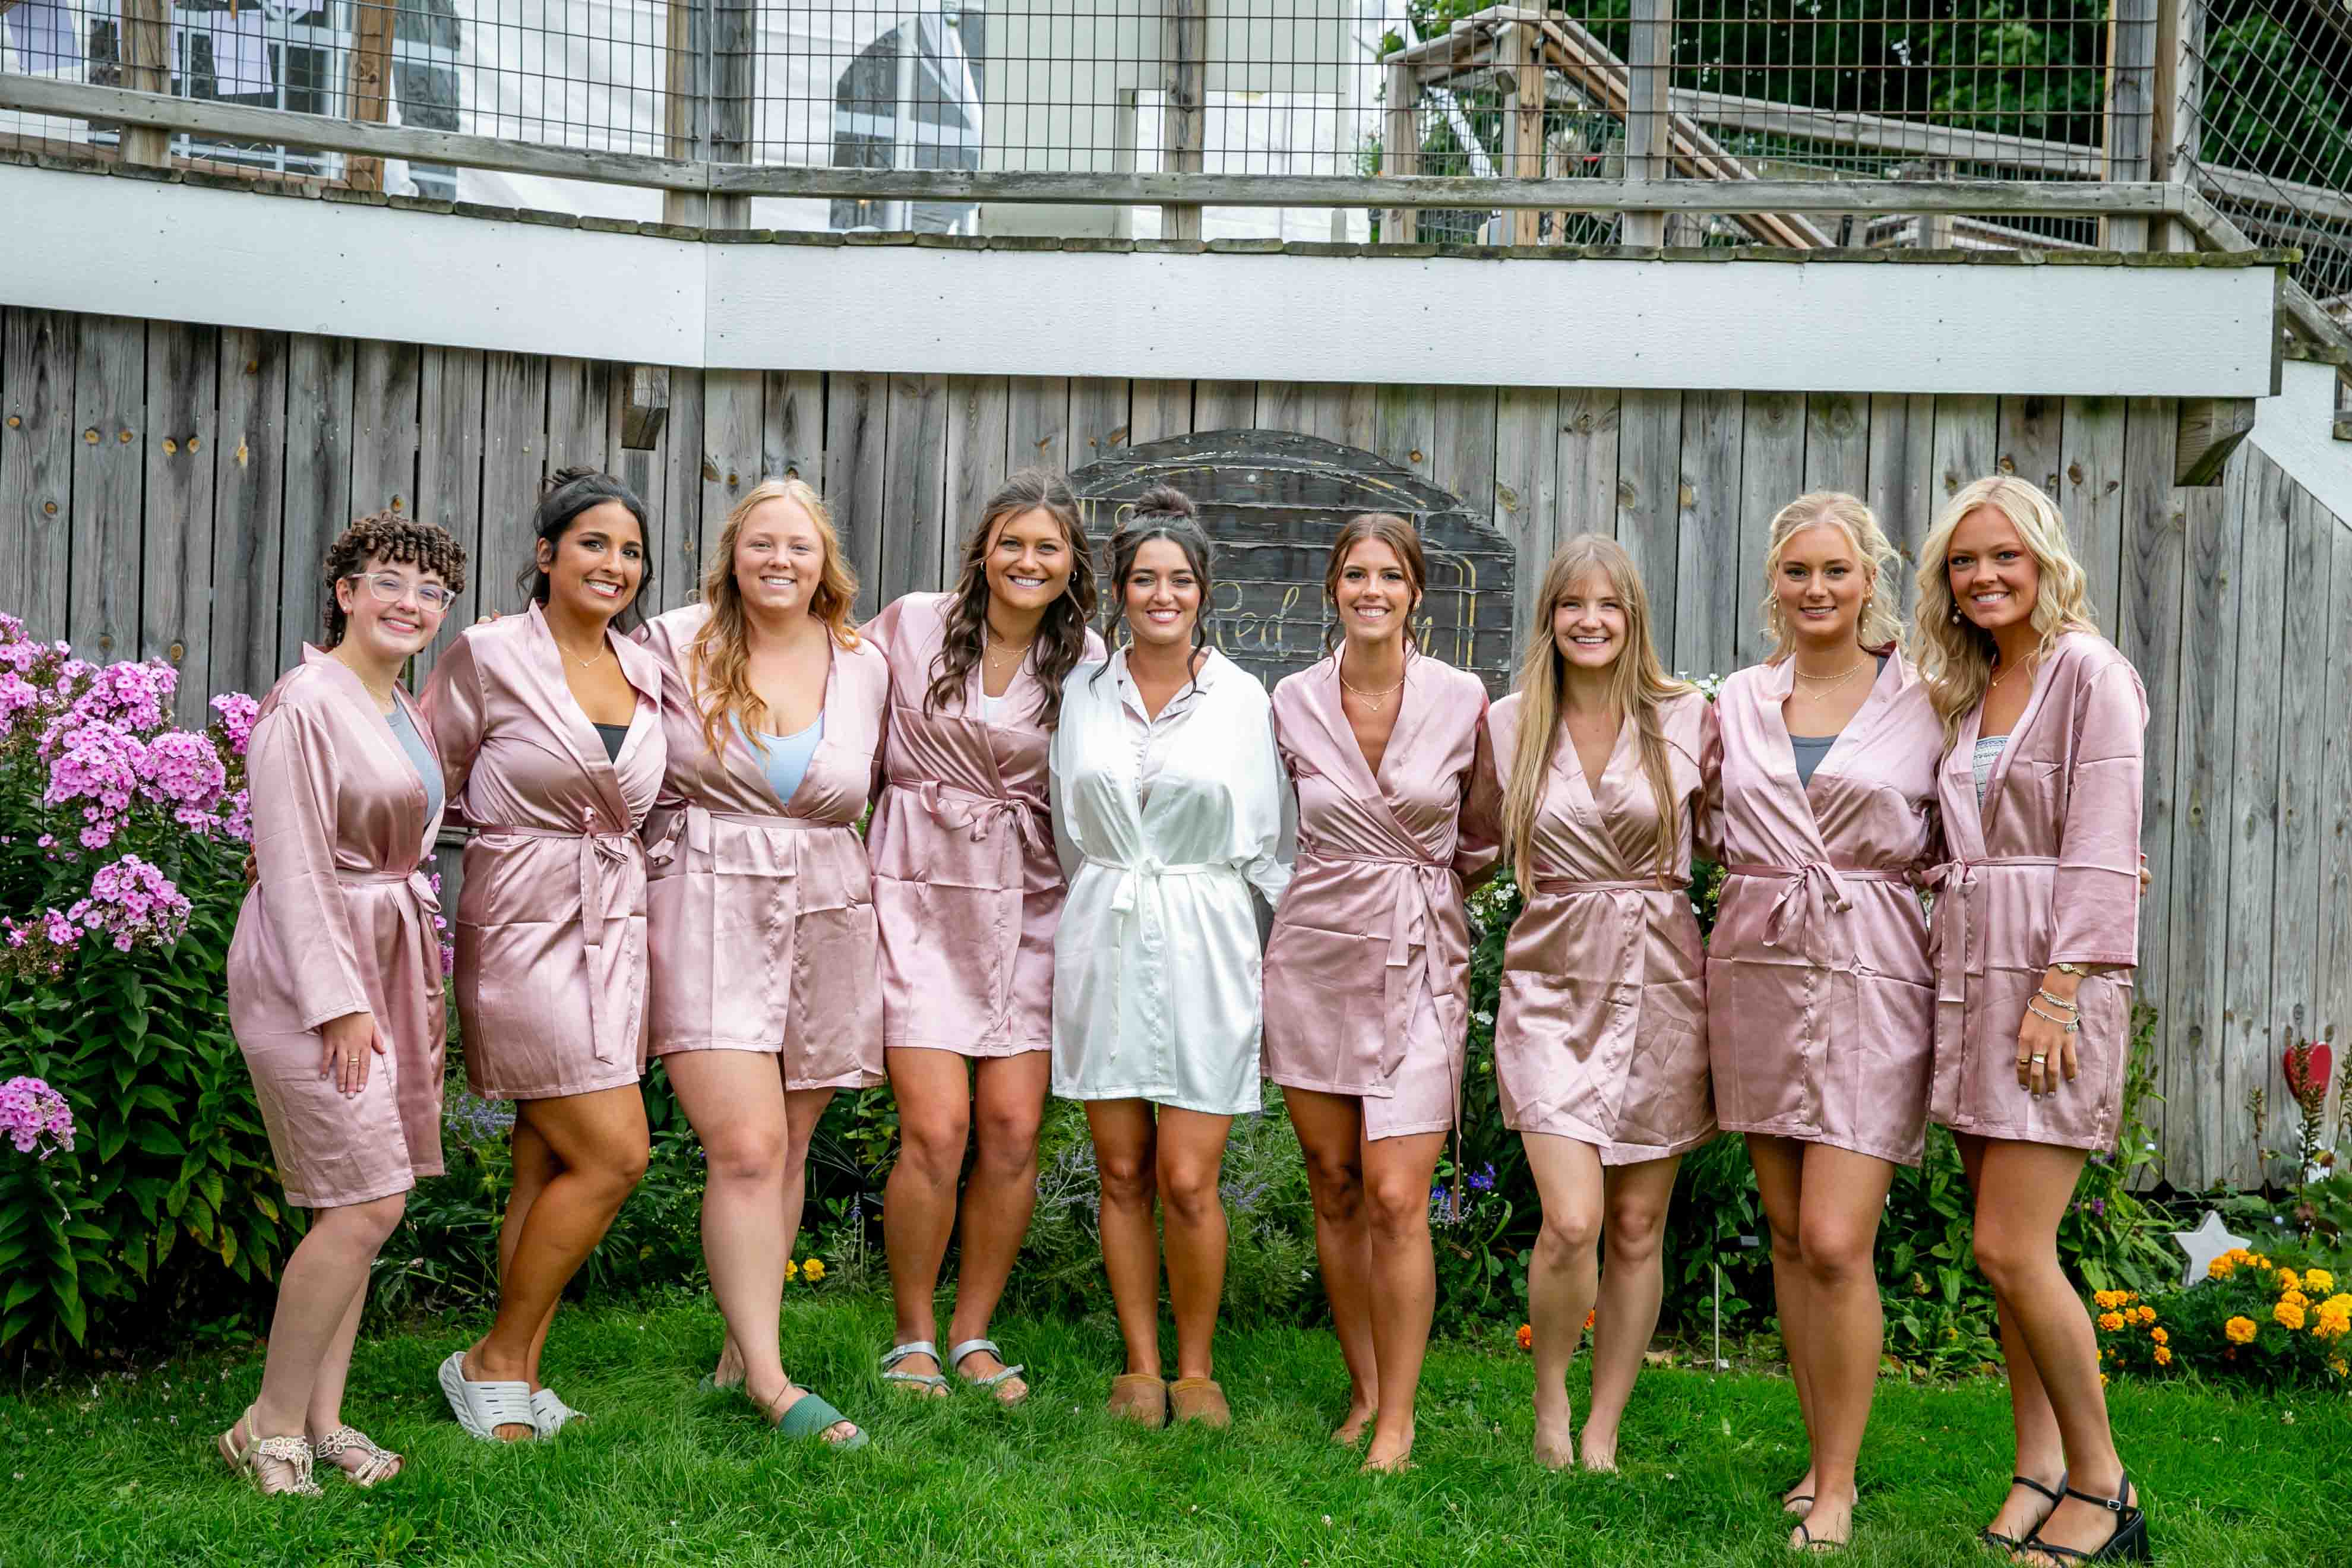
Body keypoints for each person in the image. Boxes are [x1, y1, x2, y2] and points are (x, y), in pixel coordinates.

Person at [1917, 475, 2151, 1565]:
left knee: (2011, 1247)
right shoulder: (1969, 688)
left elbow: (2105, 844)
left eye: (2004, 555)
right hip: (1969, 974)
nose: (1984, 576)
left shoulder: (2091, 676)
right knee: (2010, 1252)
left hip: (2052, 984)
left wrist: (2061, 990)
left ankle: (2104, 1485)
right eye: (1965, 561)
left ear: (2045, 558)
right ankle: (2037, 1469)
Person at [220, 514, 467, 1493]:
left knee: (355, 1200)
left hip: (391, 958)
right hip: (310, 972)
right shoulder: (304, 703)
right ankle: (269, 1427)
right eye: (391, 583)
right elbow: (289, 864)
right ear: (347, 592)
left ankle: (324, 1420)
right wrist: (338, 1006)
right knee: (369, 1202)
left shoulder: (399, 706)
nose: (412, 604)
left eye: (431, 592)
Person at [637, 478, 885, 1446]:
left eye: (800, 547)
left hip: (827, 902)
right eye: (761, 544)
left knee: (785, 1143)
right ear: (732, 554)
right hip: (706, 894)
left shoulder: (864, 662)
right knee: (744, 1147)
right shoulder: (672, 642)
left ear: (827, 564)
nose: (780, 561)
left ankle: (743, 1348)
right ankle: (773, 1387)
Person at [423, 468, 666, 1442]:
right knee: (617, 1153)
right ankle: (488, 1357)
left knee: (545, 1162)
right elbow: (422, 781)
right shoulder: (486, 655)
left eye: (631, 550)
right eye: (595, 543)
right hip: (522, 927)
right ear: (547, 554)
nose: (614, 564)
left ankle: (514, 1376)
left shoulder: (648, 667)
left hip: (617, 931)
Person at [1048, 485, 1292, 1428]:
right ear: (1118, 590)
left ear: (1203, 593)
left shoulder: (1242, 698)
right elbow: (1072, 831)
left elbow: (1270, 844)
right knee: (1121, 1171)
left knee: (1189, 1176)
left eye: (1179, 580)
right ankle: (1139, 1368)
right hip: (1108, 924)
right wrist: (1110, 890)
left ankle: (1197, 1371)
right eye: (1144, 578)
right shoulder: (1083, 692)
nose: (1162, 594)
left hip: (1205, 934)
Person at [1262, 513, 1499, 1472]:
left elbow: (1480, 835)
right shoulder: (1289, 701)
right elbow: (1263, 824)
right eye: (1355, 574)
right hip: (1313, 956)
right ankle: (1361, 1390)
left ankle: (1398, 1420)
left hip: (1417, 960)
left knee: (1400, 1195)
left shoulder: (1462, 697)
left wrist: (1423, 890)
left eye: (1389, 576)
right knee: (1336, 1187)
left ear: (1415, 594)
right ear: (1332, 590)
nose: (1371, 590)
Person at [864, 469, 1104, 1406]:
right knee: (936, 1126)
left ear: (1071, 563)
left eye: (1048, 548)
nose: (1028, 561)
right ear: (982, 550)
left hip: (1031, 899)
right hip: (918, 893)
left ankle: (973, 1333)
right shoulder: (912, 625)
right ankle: (913, 1333)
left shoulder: (1084, 658)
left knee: (1009, 1130)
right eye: (1013, 543)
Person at [1487, 535, 1718, 1476]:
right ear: (1550, 617)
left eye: (1609, 605)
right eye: (1572, 604)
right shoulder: (1508, 724)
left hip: (1661, 980)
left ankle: (1602, 1430)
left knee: (1634, 1226)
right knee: (1574, 1219)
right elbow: (1458, 837)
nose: (1590, 620)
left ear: (1635, 619)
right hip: (1549, 982)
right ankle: (1549, 1401)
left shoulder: (1686, 719)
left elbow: (1756, 832)